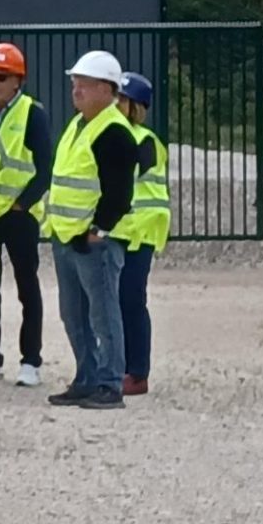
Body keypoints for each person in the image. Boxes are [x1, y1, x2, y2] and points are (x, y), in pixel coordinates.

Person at [45, 51, 141, 410]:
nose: (76, 90)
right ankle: (86, 377)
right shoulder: (79, 124)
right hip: (67, 235)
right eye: (75, 84)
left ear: (106, 89)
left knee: (102, 313)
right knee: (74, 313)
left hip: (93, 240)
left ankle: (109, 382)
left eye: (84, 84)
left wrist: (99, 229)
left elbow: (119, 190)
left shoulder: (113, 131)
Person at [0, 42, 54, 387]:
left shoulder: (32, 113)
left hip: (20, 214)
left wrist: (23, 202)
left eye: (0, 77)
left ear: (17, 81)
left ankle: (31, 360)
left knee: (26, 286)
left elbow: (44, 167)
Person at [110, 71, 170, 397]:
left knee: (131, 300)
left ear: (137, 107)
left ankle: (137, 372)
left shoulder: (144, 140)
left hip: (140, 230)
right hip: (123, 229)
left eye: (122, 99)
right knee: (115, 301)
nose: (116, 104)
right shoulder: (119, 134)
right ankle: (119, 366)